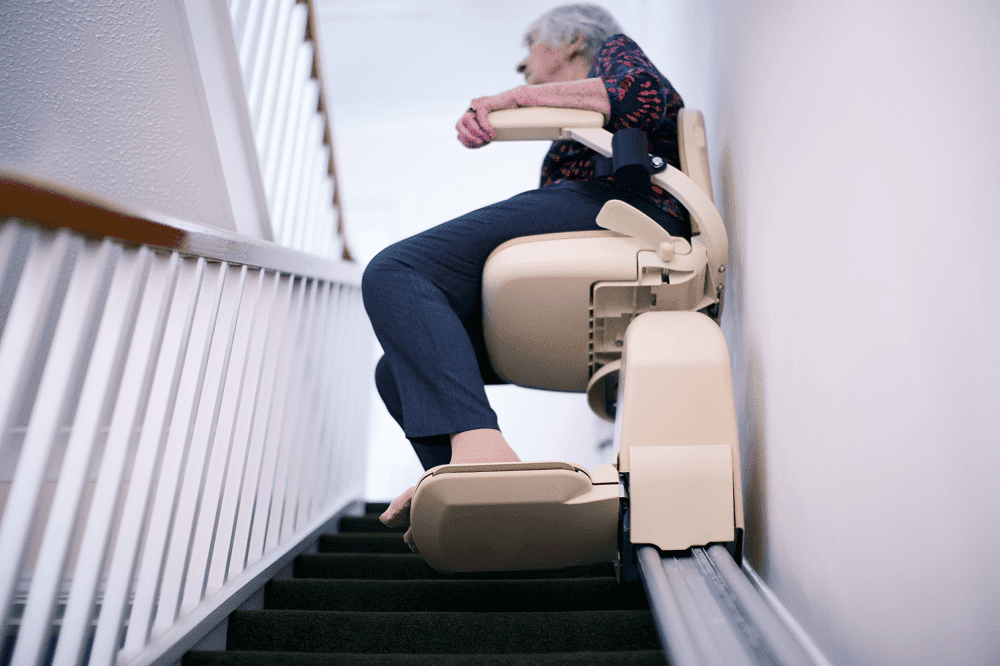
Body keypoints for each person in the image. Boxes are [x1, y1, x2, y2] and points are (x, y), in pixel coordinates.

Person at [362, 4, 688, 531]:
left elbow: (644, 94)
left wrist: (512, 100)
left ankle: (482, 455)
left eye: (531, 47)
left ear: (572, 41)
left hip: (620, 206)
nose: (523, 67)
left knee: (397, 270)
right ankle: (479, 506)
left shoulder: (613, 52)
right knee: (396, 370)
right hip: (596, 212)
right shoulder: (578, 109)